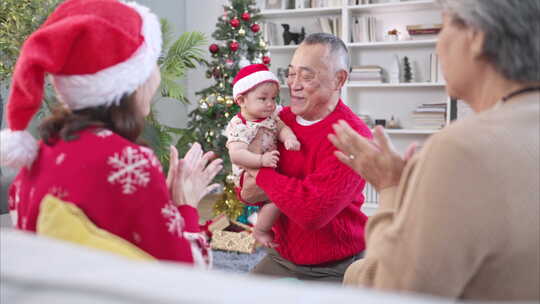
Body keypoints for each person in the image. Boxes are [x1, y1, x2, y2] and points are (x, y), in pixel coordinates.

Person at [329, 0, 540, 300]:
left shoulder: (461, 150)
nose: (438, 48)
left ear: (476, 36)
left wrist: (389, 188)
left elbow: (391, 293)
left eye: (442, 28)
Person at [0, 0, 222, 266]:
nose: (157, 76)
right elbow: (180, 275)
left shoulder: (34, 159)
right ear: (132, 78)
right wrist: (186, 206)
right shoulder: (130, 161)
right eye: (152, 62)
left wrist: (162, 205)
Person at [239, 33, 372, 282]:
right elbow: (245, 191)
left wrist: (263, 175)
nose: (294, 84)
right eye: (291, 73)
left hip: (337, 266)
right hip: (281, 256)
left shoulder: (353, 136)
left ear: (338, 80)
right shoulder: (279, 121)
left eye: (307, 76)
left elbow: (311, 213)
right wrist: (293, 191)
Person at [225, 64, 300, 248]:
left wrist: (289, 138)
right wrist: (261, 161)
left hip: (267, 169)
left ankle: (263, 227)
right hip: (247, 175)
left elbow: (281, 127)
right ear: (242, 101)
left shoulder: (271, 114)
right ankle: (259, 230)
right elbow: (237, 154)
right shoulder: (239, 125)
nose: (270, 103)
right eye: (263, 98)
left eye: (273, 98)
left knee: (278, 200)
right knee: (278, 197)